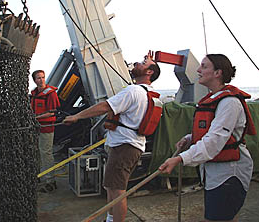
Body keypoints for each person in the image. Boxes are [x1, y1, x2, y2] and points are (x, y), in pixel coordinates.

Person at [63, 51, 161, 222]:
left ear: (149, 72)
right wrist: (149, 61)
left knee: (117, 192)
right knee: (111, 186)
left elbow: (104, 106)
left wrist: (77, 116)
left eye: (142, 64)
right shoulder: (147, 92)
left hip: (124, 147)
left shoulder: (133, 91)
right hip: (128, 146)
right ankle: (109, 219)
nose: (136, 64)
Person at [159, 54, 256, 222]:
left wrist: (181, 159)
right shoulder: (214, 99)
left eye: (204, 66)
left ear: (218, 72)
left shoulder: (229, 103)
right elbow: (213, 131)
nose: (198, 70)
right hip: (215, 174)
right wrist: (189, 139)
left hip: (228, 175)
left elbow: (214, 140)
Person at [31, 70, 60, 192]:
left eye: (43, 77)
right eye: (38, 78)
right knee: (36, 152)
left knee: (46, 153)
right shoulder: (34, 93)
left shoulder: (51, 94)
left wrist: (35, 118)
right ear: (34, 80)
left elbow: (52, 112)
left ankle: (50, 181)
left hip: (46, 128)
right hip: (35, 127)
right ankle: (37, 176)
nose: (41, 80)